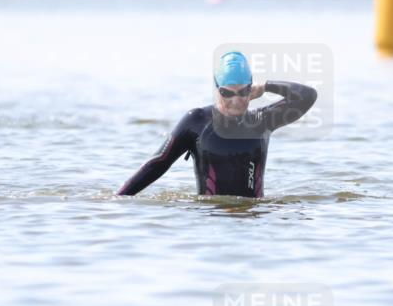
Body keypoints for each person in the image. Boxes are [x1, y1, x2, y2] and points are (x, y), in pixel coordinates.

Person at [117, 51, 317, 198]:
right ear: (216, 89)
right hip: (210, 220)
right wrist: (119, 199)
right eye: (227, 93)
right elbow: (157, 164)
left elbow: (308, 96)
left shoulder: (261, 121)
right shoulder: (196, 121)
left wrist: (266, 86)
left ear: (251, 89)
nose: (236, 100)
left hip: (253, 220)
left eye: (243, 92)